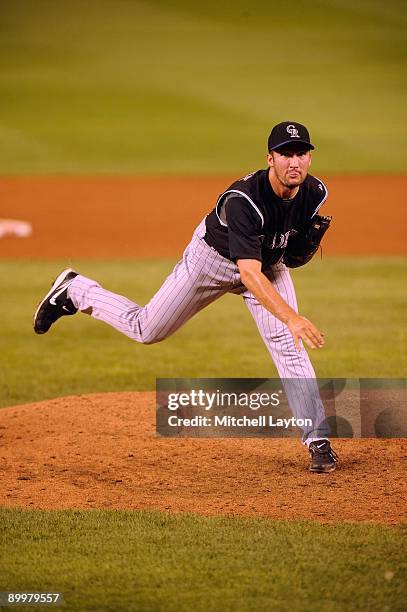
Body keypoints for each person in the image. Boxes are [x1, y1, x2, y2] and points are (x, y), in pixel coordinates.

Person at [33, 121, 338, 473]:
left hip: (266, 265)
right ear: (270, 159)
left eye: (301, 153)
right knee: (147, 328)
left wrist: (293, 255)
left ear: (310, 158)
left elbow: (284, 249)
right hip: (212, 262)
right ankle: (76, 290)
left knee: (289, 346)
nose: (294, 162)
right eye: (285, 154)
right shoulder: (244, 201)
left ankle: (317, 439)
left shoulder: (314, 192)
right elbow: (249, 274)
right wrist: (292, 316)